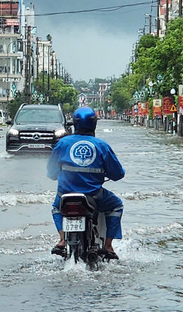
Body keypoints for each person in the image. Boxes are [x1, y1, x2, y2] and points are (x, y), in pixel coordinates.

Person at [46, 106, 125, 259]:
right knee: (117, 205)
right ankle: (108, 246)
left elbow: (50, 171)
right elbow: (118, 173)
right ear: (94, 124)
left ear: (74, 123)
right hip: (94, 195)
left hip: (65, 195)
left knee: (56, 208)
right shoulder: (101, 146)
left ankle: (62, 240)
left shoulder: (63, 143)